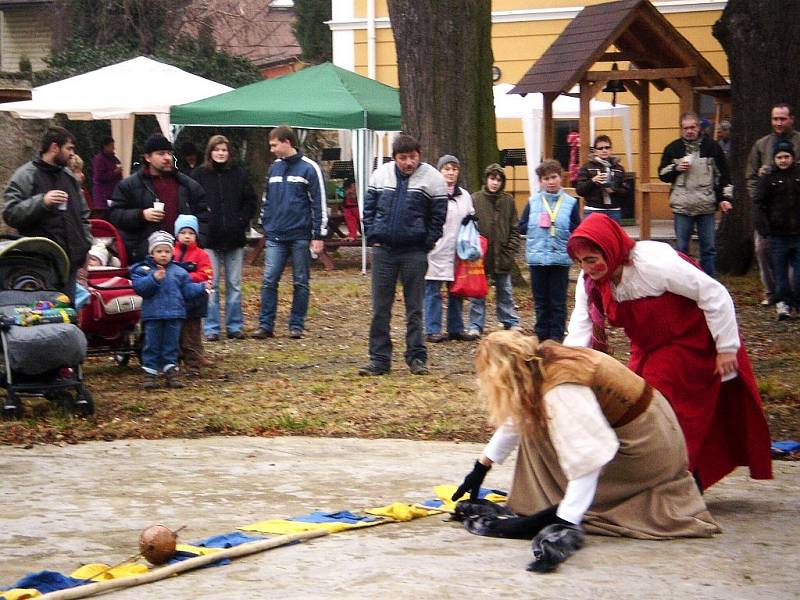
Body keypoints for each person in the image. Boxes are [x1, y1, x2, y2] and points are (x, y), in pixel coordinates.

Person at [452, 332, 720, 573]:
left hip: (648, 448)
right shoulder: (540, 361)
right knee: (534, 424)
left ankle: (562, 509)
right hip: (652, 430)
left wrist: (566, 522)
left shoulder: (561, 388)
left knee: (541, 434)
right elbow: (518, 418)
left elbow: (589, 456)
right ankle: (553, 506)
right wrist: (480, 468)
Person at [562, 214, 772, 490]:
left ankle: (676, 483)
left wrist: (726, 348)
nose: (586, 268)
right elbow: (581, 327)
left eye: (591, 259)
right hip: (648, 346)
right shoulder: (589, 284)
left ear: (609, 248)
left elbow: (714, 293)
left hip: (689, 341)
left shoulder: (653, 265)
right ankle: (648, 480)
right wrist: (564, 370)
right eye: (579, 262)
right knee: (628, 404)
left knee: (662, 409)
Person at [359, 134, 447, 376]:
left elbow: (438, 216)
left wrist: (427, 242)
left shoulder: (433, 179)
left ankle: (417, 357)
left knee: (414, 308)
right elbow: (369, 208)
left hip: (414, 252)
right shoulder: (380, 175)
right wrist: (373, 235)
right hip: (384, 251)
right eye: (403, 158)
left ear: (419, 155)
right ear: (394, 158)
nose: (409, 163)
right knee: (380, 308)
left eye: (413, 157)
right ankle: (379, 359)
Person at [2, 126, 92, 303]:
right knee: (44, 318)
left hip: (70, 264)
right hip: (39, 264)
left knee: (68, 318)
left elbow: (83, 215)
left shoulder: (69, 178)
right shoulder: (26, 175)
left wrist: (85, 245)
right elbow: (10, 213)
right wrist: (42, 202)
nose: (72, 154)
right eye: (69, 148)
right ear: (54, 147)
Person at [254, 125, 327, 340]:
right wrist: (264, 225)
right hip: (276, 234)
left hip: (300, 235)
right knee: (269, 280)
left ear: (287, 142)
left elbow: (319, 203)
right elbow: (267, 200)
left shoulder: (309, 168)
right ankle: (266, 325)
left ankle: (296, 324)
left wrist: (318, 235)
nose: (272, 150)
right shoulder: (274, 168)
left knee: (301, 281)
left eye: (274, 145)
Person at [190, 135, 258, 341]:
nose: (220, 153)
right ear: (210, 152)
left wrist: (241, 220)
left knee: (234, 284)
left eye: (224, 150)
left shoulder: (239, 174)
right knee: (211, 284)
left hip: (234, 237)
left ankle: (234, 325)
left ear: (229, 153)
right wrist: (201, 225)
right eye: (217, 149)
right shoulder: (199, 175)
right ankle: (211, 327)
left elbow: (250, 201)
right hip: (209, 239)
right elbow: (192, 203)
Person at [108, 134, 207, 265]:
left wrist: (199, 244)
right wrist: (141, 215)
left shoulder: (187, 184)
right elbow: (115, 215)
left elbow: (204, 215)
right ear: (148, 157)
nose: (167, 158)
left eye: (169, 153)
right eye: (161, 154)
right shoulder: (129, 185)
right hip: (146, 258)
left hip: (182, 259)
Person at [131, 230, 209, 390]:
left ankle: (171, 372)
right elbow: (140, 288)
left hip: (175, 315)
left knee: (171, 344)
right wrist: (153, 279)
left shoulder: (179, 271)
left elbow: (187, 290)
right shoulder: (143, 270)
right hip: (153, 316)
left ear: (172, 252)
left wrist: (201, 287)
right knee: (151, 344)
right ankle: (150, 373)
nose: (163, 255)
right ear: (151, 252)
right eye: (159, 251)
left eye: (167, 251)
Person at [658, 111, 731, 277]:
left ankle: (709, 283)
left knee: (709, 249)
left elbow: (724, 176)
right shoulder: (673, 148)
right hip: (682, 208)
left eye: (692, 127)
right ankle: (683, 283)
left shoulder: (712, 147)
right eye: (686, 128)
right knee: (682, 250)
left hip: (706, 206)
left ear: (699, 127)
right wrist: (676, 168)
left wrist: (725, 198)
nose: (689, 131)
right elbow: (662, 174)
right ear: (681, 129)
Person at [517, 159, 580, 342]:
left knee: (558, 302)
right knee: (541, 301)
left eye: (554, 177)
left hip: (559, 259)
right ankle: (542, 336)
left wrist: (565, 228)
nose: (551, 182)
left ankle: (556, 337)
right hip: (537, 259)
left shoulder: (570, 203)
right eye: (546, 178)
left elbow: (578, 228)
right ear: (541, 181)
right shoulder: (533, 201)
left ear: (560, 178)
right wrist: (534, 224)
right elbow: (521, 227)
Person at [747, 103, 800, 307]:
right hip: (768, 213)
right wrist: (760, 197)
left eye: (782, 118)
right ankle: (772, 293)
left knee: (793, 257)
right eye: (775, 119)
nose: (778, 122)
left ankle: (792, 296)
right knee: (763, 250)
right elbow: (750, 175)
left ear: (791, 119)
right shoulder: (762, 144)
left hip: (794, 214)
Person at [424, 155, 477, 343]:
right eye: (447, 169)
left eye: (454, 169)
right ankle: (432, 329)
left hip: (458, 250)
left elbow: (471, 219)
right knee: (433, 290)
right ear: (440, 171)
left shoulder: (464, 196)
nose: (450, 172)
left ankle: (455, 328)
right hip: (436, 248)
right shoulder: (432, 193)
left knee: (457, 290)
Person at [468, 163, 521, 337]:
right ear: (486, 179)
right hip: (481, 254)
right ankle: (475, 324)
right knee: (477, 292)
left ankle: (510, 320)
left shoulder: (508, 201)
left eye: (498, 179)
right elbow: (469, 226)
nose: (495, 183)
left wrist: (510, 250)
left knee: (505, 290)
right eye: (492, 179)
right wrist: (474, 248)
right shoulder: (475, 199)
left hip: (502, 254)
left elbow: (515, 229)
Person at [753, 140, 800, 320]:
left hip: (797, 233)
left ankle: (797, 301)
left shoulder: (797, 175)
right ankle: (783, 303)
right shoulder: (768, 179)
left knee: (798, 274)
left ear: (792, 158)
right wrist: (763, 227)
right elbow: (759, 203)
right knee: (780, 273)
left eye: (786, 156)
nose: (783, 160)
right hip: (777, 234)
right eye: (779, 157)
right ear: (774, 159)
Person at [173, 214, 214, 374]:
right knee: (175, 332)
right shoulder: (170, 252)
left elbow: (207, 273)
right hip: (175, 301)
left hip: (195, 302)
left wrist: (186, 278)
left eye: (191, 233)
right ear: (177, 234)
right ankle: (174, 363)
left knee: (192, 333)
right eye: (183, 233)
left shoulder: (201, 254)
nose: (187, 236)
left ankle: (194, 365)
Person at [575, 135, 628, 223]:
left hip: (613, 210)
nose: (604, 150)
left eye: (607, 147)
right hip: (593, 209)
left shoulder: (619, 168)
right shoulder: (587, 167)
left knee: (612, 237)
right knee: (592, 236)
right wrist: (593, 181)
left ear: (611, 150)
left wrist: (613, 190)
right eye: (600, 148)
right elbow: (580, 191)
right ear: (595, 151)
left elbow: (626, 192)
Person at [91, 136, 122, 213]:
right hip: (103, 194)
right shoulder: (99, 159)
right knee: (104, 214)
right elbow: (100, 176)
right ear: (105, 146)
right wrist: (115, 173)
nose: (113, 148)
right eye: (111, 146)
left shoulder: (114, 158)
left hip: (113, 192)